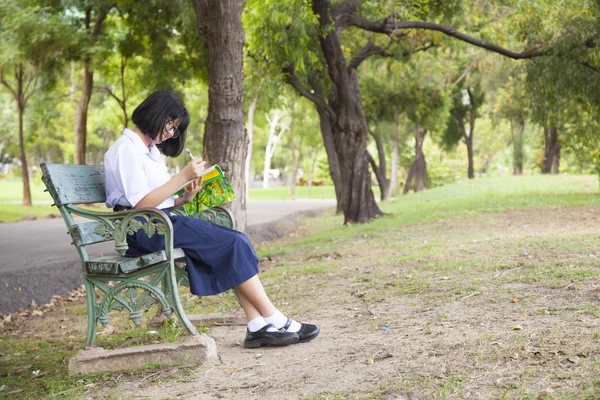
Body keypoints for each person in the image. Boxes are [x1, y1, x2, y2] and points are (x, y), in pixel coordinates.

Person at [104, 90, 319, 348]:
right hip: (145, 230)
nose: (171, 134)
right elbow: (140, 204)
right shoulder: (126, 149)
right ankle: (275, 318)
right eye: (170, 125)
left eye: (175, 129)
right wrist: (182, 177)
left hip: (159, 222)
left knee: (235, 241)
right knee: (234, 243)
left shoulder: (148, 150)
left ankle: (257, 325)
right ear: (155, 114)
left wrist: (184, 197)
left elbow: (154, 198)